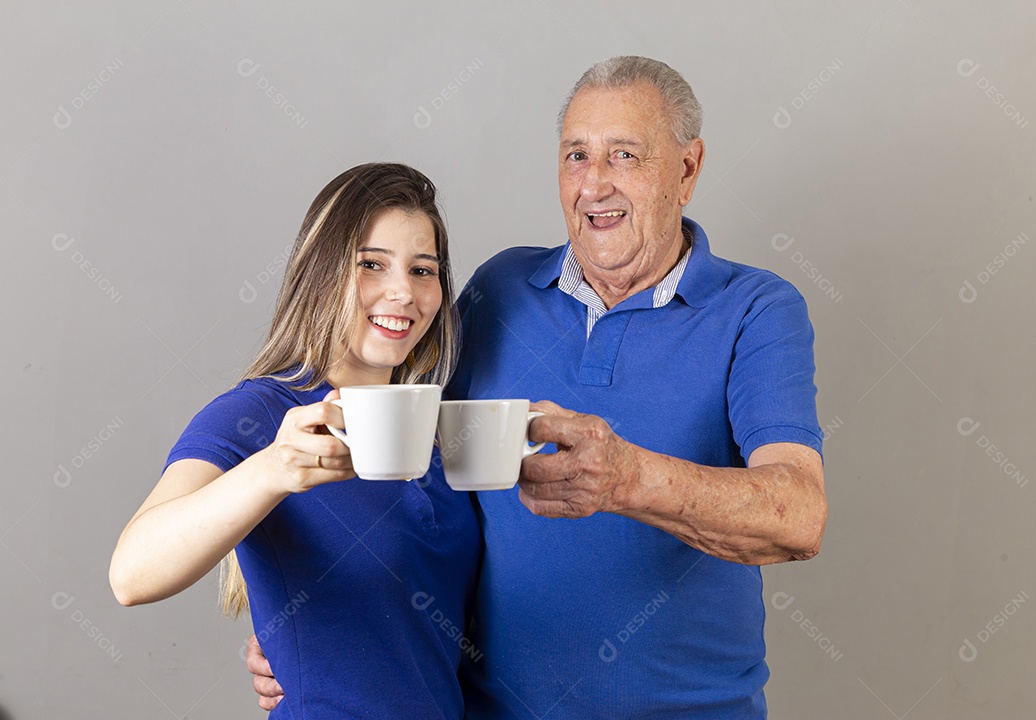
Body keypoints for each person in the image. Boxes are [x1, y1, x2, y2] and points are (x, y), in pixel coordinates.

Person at [253, 56, 827, 718]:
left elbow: (800, 517)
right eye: (576, 156)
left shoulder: (756, 309)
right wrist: (317, 627)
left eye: (624, 156)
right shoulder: (498, 290)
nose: (594, 184)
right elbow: (414, 490)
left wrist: (624, 480)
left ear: (688, 169)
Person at [110, 163, 481, 718]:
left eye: (423, 270)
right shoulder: (258, 412)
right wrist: (271, 471)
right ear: (322, 274)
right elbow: (132, 573)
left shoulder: (431, 424)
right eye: (371, 265)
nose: (403, 291)